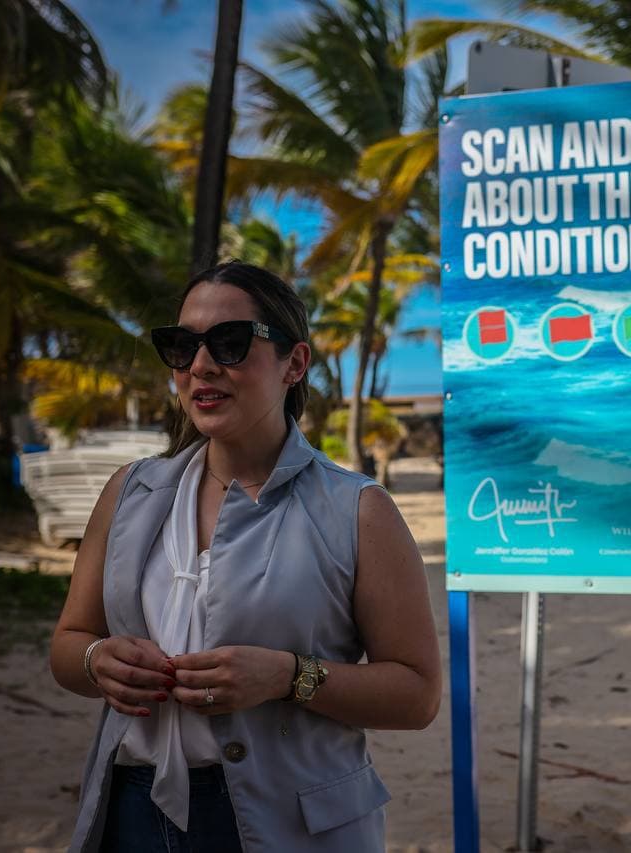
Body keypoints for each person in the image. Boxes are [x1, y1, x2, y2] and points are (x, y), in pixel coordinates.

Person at [49, 260, 442, 852]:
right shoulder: (129, 493)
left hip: (290, 820)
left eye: (230, 343)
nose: (201, 366)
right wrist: (98, 659)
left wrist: (289, 676)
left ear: (295, 362)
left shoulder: (357, 510)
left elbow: (417, 695)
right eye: (181, 347)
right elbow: (67, 645)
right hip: (132, 808)